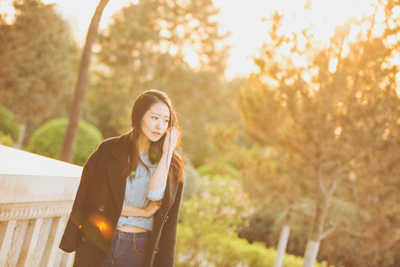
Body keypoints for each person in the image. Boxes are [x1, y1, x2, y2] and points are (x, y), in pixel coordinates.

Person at [59, 89, 185, 267]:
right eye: (154, 118)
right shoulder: (109, 150)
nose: (159, 126)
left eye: (166, 121)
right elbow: (94, 199)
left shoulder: (171, 164)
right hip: (100, 239)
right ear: (139, 115)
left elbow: (156, 196)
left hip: (138, 247)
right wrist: (143, 212)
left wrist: (167, 154)